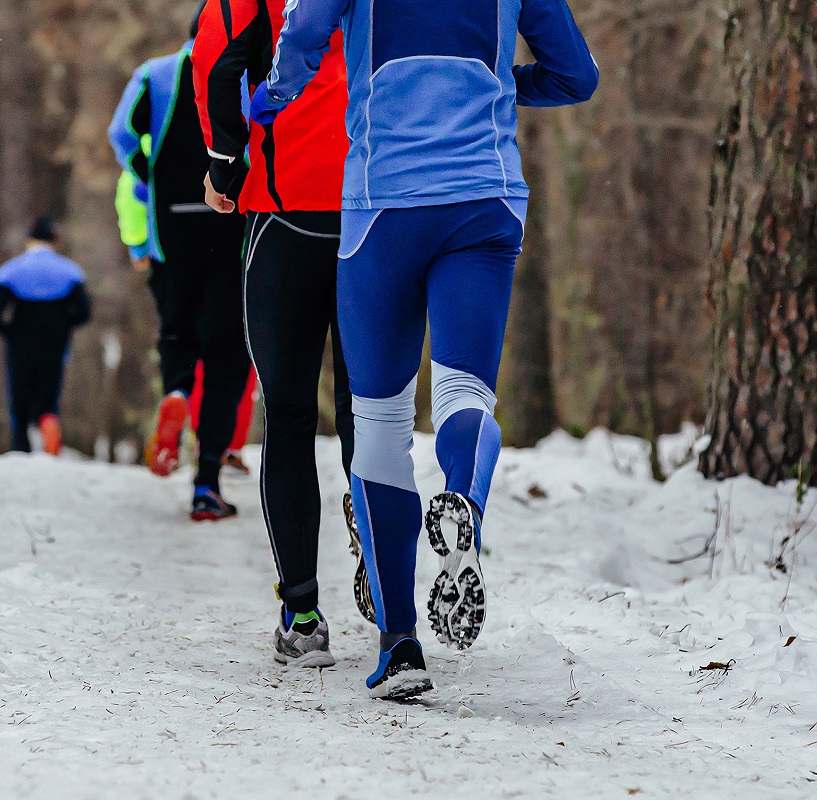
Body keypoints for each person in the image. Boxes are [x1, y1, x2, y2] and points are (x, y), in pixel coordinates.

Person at [252, 0, 599, 699]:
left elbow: (306, 32)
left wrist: (273, 96)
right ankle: (464, 501)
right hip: (484, 200)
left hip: (383, 205)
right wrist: (506, 82)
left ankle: (401, 647)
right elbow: (576, 77)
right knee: (464, 393)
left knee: (379, 421)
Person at [192, 0, 364, 668]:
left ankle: (303, 616)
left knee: (289, 415)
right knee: (366, 413)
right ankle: (379, 564)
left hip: (283, 211)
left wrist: (223, 166)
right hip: (371, 207)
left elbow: (222, 69)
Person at [108, 3, 253, 522]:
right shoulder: (249, 72)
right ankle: (207, 481)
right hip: (233, 227)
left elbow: (121, 134)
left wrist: (153, 174)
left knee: (175, 329)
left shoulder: (155, 73)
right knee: (227, 356)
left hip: (170, 226)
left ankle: (174, 389)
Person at [115, 167, 259, 477]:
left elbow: (131, 187)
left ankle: (178, 393)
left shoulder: (153, 128)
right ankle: (223, 450)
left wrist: (138, 243)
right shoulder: (230, 128)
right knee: (230, 352)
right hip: (230, 248)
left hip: (171, 248)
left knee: (180, 338)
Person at [0, 215, 92, 456]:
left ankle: (21, 449)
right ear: (54, 239)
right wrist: (64, 325)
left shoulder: (10, 271)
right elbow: (84, 313)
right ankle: (48, 424)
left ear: (29, 239)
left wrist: (9, 332)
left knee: (19, 399)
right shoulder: (70, 271)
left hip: (20, 341)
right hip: (55, 341)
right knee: (48, 394)